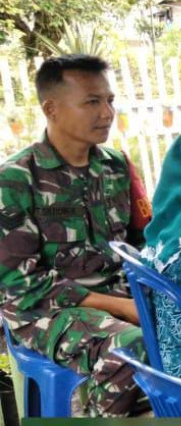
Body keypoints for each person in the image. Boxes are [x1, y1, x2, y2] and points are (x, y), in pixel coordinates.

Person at [0, 55, 147, 416]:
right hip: (43, 311)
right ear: (51, 108)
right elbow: (22, 285)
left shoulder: (115, 166)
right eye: (92, 102)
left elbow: (139, 244)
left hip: (119, 297)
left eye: (109, 100)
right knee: (129, 348)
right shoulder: (15, 179)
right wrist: (121, 307)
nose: (107, 113)